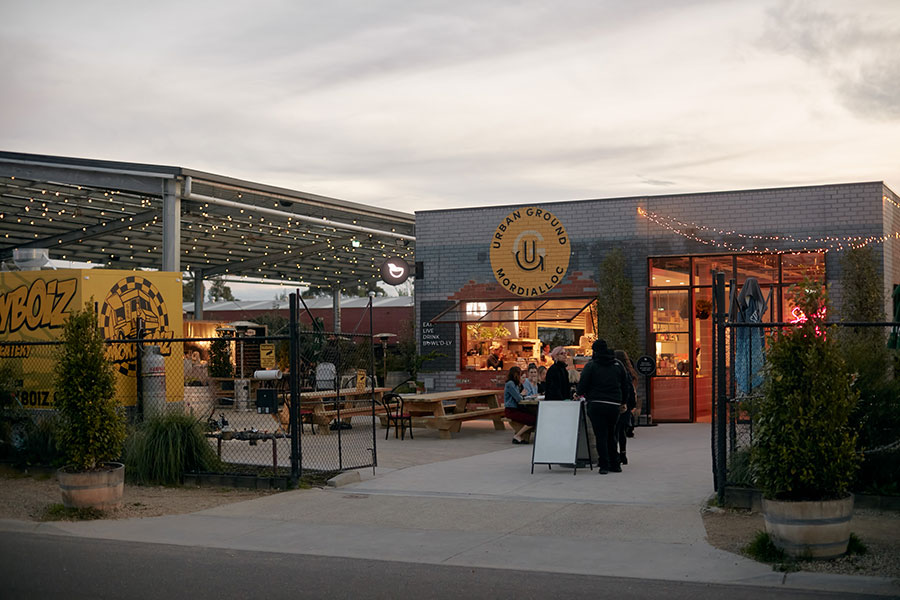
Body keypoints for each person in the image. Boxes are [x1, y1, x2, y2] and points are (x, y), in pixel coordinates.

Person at [577, 339, 631, 474]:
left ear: (595, 351)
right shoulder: (617, 364)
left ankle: (604, 465)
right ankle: (615, 463)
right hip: (614, 404)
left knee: (600, 435)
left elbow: (582, 384)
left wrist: (578, 393)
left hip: (596, 404)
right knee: (612, 434)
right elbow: (625, 385)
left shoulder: (591, 365)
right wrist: (624, 402)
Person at [614, 349, 638, 465]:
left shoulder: (618, 371)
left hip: (620, 404)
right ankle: (623, 454)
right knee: (622, 431)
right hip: (627, 404)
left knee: (615, 431)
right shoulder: (631, 371)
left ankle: (616, 454)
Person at [504, 366, 535, 444]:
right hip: (511, 410)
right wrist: (522, 395)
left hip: (515, 409)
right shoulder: (510, 384)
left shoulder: (515, 384)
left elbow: (519, 396)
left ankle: (522, 436)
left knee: (533, 416)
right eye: (520, 374)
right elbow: (518, 398)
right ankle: (517, 435)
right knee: (532, 420)